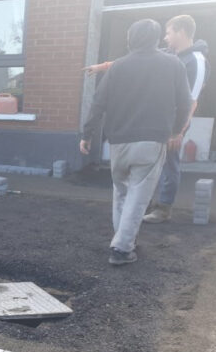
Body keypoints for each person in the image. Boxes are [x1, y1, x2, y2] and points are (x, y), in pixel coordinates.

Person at [80, 19, 192, 266]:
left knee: (121, 192)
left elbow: (98, 103)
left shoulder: (118, 67)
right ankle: (122, 248)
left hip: (118, 142)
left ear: (130, 39)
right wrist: (175, 131)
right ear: (154, 38)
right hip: (152, 141)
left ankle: (123, 238)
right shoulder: (173, 64)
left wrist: (87, 135)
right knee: (138, 195)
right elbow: (185, 103)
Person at [84, 15, 209, 223]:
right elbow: (138, 58)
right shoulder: (170, 54)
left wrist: (179, 130)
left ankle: (163, 208)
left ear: (181, 32)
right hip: (160, 121)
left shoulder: (196, 60)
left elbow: (191, 99)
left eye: (168, 33)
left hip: (175, 123)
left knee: (169, 163)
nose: (166, 38)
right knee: (152, 165)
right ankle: (145, 203)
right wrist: (102, 67)